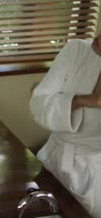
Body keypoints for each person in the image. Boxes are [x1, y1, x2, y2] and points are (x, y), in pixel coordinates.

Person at [29, 35, 101, 217]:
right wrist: (84, 100)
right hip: (52, 162)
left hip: (94, 177)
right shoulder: (76, 50)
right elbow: (39, 104)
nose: (98, 36)